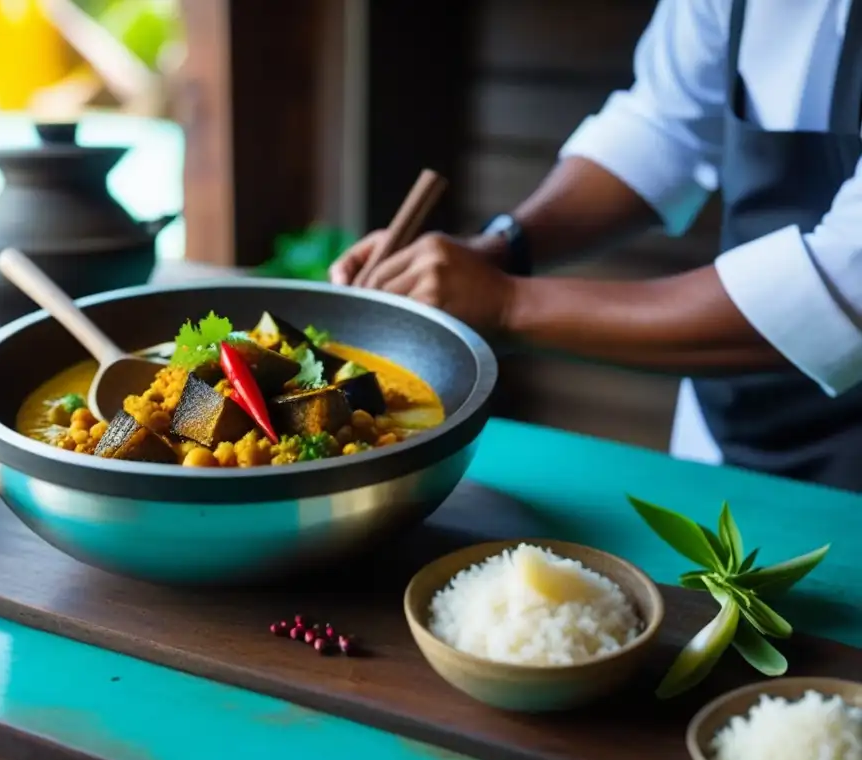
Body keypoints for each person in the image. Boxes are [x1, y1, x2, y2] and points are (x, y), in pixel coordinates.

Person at [330, 0, 862, 493]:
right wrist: (499, 250)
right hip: (724, 428)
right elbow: (663, 127)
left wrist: (506, 305)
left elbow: (843, 282)